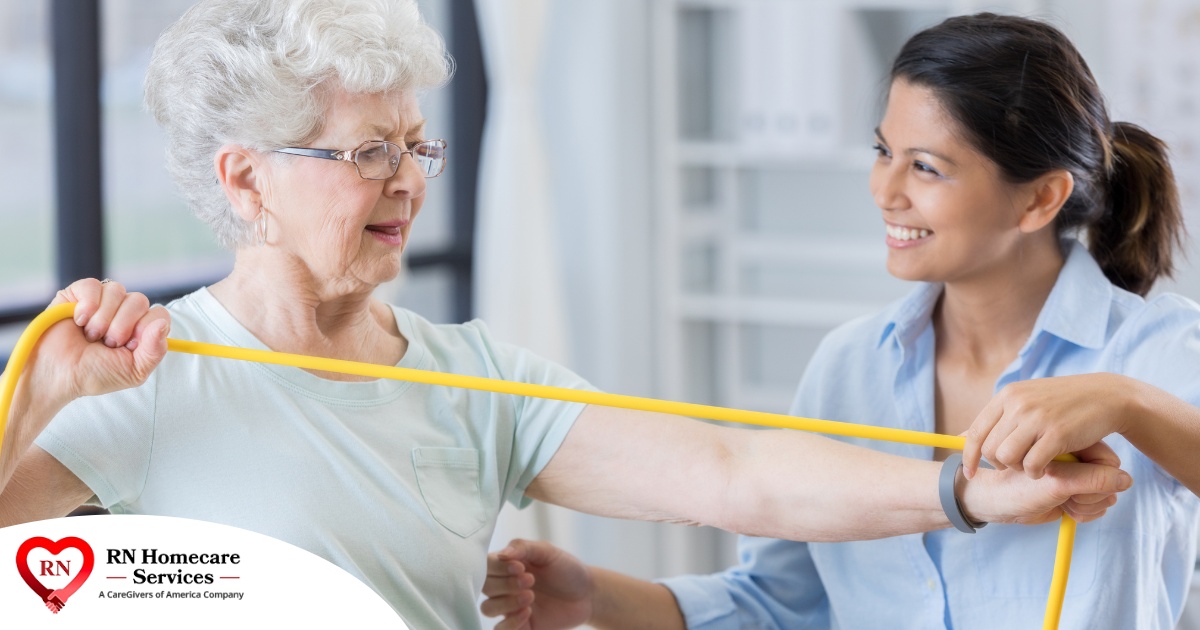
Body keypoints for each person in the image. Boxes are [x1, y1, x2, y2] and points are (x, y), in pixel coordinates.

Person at [0, 4, 1131, 629]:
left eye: (417, 145)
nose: (408, 182)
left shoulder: (472, 373)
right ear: (245, 180)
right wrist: (39, 403)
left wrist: (963, 490)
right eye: (368, 153)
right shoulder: (143, 377)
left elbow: (733, 473)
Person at [480, 12, 1200, 630]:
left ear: (1040, 199)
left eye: (927, 167)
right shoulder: (850, 363)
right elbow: (779, 605)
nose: (883, 191)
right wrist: (591, 596)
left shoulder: (1151, 352)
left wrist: (1125, 402)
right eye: (884, 151)